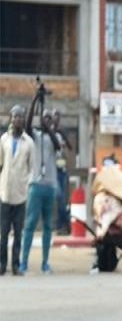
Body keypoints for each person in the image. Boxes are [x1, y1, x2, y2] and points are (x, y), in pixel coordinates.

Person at [20, 97, 60, 275]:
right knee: (29, 225)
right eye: (45, 118)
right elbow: (27, 125)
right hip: (35, 185)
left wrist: (49, 128)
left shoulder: (54, 137)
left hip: (50, 187)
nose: (47, 121)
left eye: (49, 118)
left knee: (48, 227)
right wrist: (35, 100)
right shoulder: (34, 136)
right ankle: (23, 262)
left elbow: (58, 146)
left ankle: (45, 262)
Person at [0, 105, 35, 275]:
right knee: (3, 234)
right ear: (11, 119)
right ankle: (2, 265)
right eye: (14, 117)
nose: (17, 120)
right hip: (5, 194)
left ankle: (15, 265)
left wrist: (25, 184)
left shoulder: (29, 143)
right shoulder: (4, 140)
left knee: (18, 234)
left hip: (20, 196)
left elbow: (32, 169)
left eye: (20, 117)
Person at [52, 108, 72, 234]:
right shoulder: (49, 132)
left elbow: (70, 147)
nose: (56, 118)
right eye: (55, 116)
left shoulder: (62, 132)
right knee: (59, 197)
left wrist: (62, 133)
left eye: (58, 116)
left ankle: (63, 225)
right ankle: (64, 223)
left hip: (62, 170)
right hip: (52, 170)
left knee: (62, 199)